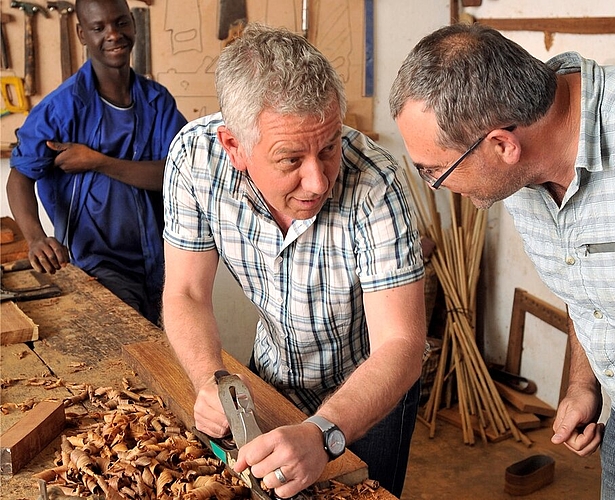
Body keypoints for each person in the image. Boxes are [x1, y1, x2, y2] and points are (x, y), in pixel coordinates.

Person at [390, 22, 615, 500]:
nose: (438, 185)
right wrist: (582, 384)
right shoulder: (521, 173)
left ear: (502, 145)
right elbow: (587, 290)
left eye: (437, 171)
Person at [162, 24, 427, 498]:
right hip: (271, 377)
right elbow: (186, 291)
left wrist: (324, 431)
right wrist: (209, 380)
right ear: (234, 147)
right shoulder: (194, 159)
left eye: (328, 148)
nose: (318, 181)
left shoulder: (375, 185)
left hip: (370, 391)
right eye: (290, 159)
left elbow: (402, 345)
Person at [7, 0, 187, 325]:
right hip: (98, 265)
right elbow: (19, 178)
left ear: (133, 24)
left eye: (120, 23)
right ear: (81, 33)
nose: (113, 35)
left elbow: (174, 175)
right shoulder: (61, 109)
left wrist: (97, 161)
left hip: (162, 262)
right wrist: (35, 238)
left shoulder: (157, 101)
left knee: (165, 360)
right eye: (98, 27)